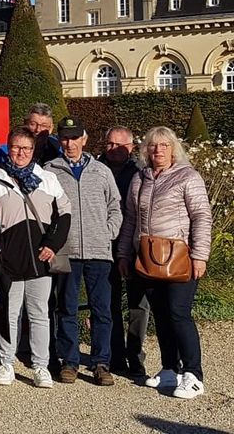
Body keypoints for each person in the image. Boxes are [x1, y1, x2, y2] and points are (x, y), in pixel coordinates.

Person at [117, 126, 212, 399]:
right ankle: (170, 368)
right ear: (146, 150)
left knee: (178, 312)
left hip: (179, 256)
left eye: (164, 145)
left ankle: (193, 374)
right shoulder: (140, 178)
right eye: (152, 145)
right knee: (160, 314)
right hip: (147, 257)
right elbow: (130, 220)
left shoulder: (187, 177)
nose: (158, 150)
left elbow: (202, 217)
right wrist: (124, 253)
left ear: (173, 149)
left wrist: (200, 255)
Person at [0, 126, 71, 389]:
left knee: (40, 314)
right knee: (9, 313)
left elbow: (64, 214)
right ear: (8, 148)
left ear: (33, 150)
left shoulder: (47, 179)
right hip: (8, 261)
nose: (21, 153)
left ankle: (40, 366)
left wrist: (52, 244)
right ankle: (6, 363)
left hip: (41, 259)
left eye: (26, 148)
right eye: (16, 147)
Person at [45, 117, 122, 386]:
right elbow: (44, 211)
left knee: (101, 309)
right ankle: (70, 361)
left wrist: (107, 232)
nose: (70, 143)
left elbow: (115, 206)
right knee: (66, 307)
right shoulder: (49, 171)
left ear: (84, 139)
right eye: (65, 138)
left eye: (74, 138)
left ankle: (101, 362)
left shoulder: (101, 171)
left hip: (99, 251)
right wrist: (52, 240)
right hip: (65, 251)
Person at [99, 126, 150, 376]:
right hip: (104, 245)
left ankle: (136, 355)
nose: (114, 149)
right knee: (109, 303)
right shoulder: (95, 169)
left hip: (133, 245)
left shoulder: (141, 174)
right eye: (110, 144)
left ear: (130, 147)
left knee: (139, 304)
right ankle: (115, 355)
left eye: (120, 145)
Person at [0, 103, 62, 167]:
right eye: (33, 124)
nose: (38, 130)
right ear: (25, 124)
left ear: (51, 128)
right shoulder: (6, 151)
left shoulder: (57, 148)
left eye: (43, 125)